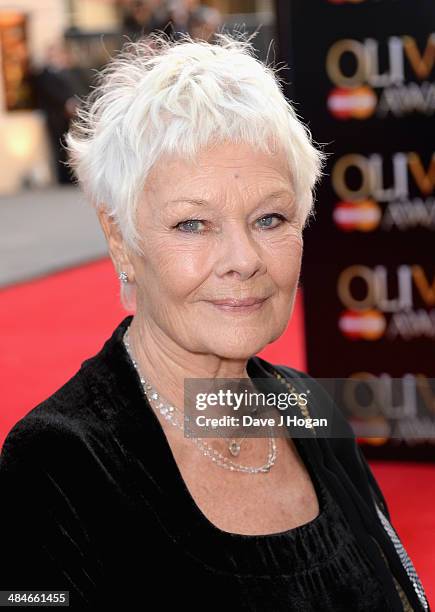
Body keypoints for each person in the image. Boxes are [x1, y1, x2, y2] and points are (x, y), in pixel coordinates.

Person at [0, 32, 430, 611]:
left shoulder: (304, 406)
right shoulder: (58, 463)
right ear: (122, 241)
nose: (244, 259)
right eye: (193, 225)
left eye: (270, 218)